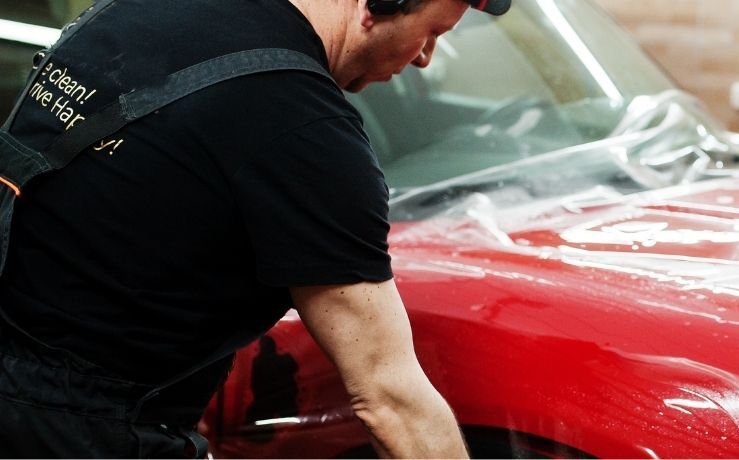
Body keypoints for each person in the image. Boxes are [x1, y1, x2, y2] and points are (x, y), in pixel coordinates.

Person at [0, 0, 509, 456]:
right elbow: (390, 398)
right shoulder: (302, 131)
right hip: (80, 432)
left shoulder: (142, 12)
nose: (425, 57)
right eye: (433, 32)